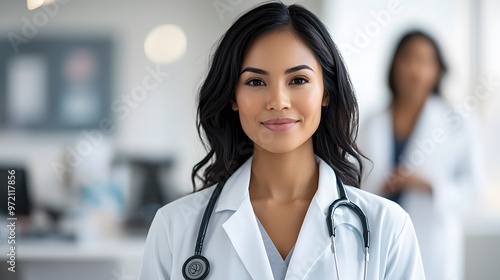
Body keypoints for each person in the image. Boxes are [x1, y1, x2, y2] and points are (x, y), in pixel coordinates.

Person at [139, 3, 424, 279]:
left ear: (327, 92)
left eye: (298, 80)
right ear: (232, 97)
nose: (278, 102)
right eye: (255, 82)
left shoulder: (388, 226)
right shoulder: (174, 226)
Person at [357, 31, 484, 280]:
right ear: (394, 65)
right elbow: (355, 180)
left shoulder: (457, 122)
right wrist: (379, 186)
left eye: (425, 61)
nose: (415, 69)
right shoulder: (372, 122)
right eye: (407, 58)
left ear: (438, 70)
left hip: (432, 244)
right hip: (380, 240)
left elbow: (474, 190)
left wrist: (429, 185)